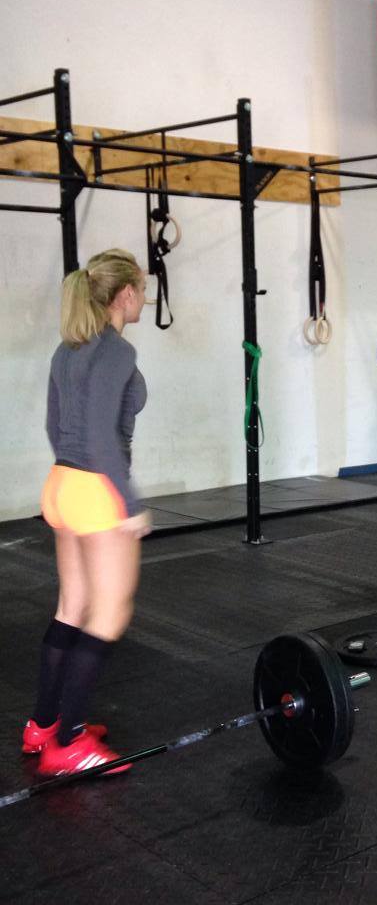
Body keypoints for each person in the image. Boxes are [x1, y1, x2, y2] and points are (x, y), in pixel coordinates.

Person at [25, 249, 150, 777]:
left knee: (71, 606)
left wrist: (78, 480)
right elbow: (101, 436)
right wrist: (129, 504)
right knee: (109, 614)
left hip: (61, 483)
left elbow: (56, 427)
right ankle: (71, 743)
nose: (144, 300)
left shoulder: (67, 350)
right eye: (142, 291)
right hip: (96, 489)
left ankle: (43, 727)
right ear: (126, 295)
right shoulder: (116, 351)